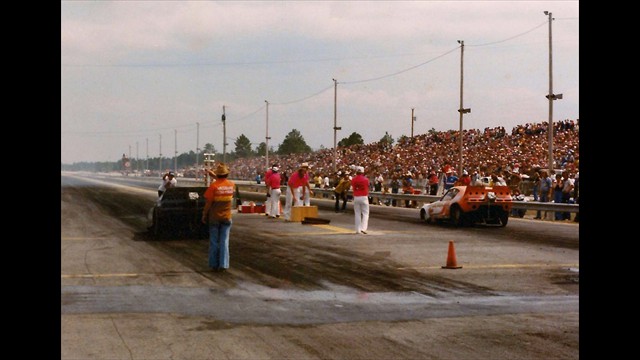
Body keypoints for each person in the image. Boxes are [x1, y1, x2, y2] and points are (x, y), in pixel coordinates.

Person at [201, 163, 235, 272]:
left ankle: (214, 264)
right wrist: (215, 176)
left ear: (217, 175)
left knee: (214, 241)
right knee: (224, 241)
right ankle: (223, 264)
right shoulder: (231, 185)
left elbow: (208, 203)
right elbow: (223, 183)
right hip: (227, 217)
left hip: (214, 217)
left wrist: (204, 214)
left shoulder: (213, 186)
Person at [352, 166, 370, 234]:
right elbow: (368, 186)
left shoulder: (353, 179)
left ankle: (357, 229)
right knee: (365, 213)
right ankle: (363, 228)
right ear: (363, 172)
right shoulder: (366, 179)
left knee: (357, 213)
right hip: (364, 196)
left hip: (356, 197)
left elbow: (353, 186)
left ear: (356, 172)